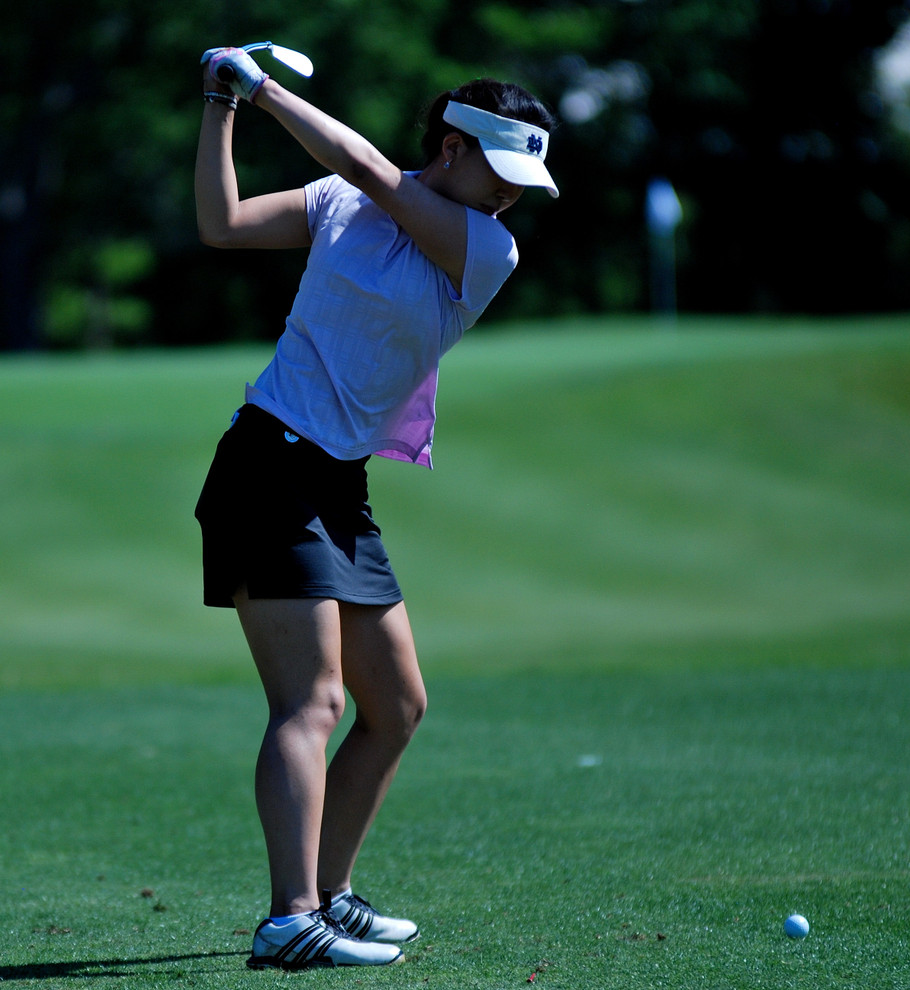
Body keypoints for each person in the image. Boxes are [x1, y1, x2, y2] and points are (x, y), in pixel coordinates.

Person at [192, 45, 558, 971]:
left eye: (524, 183)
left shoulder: (488, 248)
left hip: (336, 485)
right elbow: (223, 225)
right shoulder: (340, 203)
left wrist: (260, 85)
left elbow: (366, 167)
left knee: (395, 706)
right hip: (269, 466)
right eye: (500, 172)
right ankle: (291, 920)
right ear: (451, 146)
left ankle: (332, 893)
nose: (511, 196)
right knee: (311, 701)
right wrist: (221, 104)